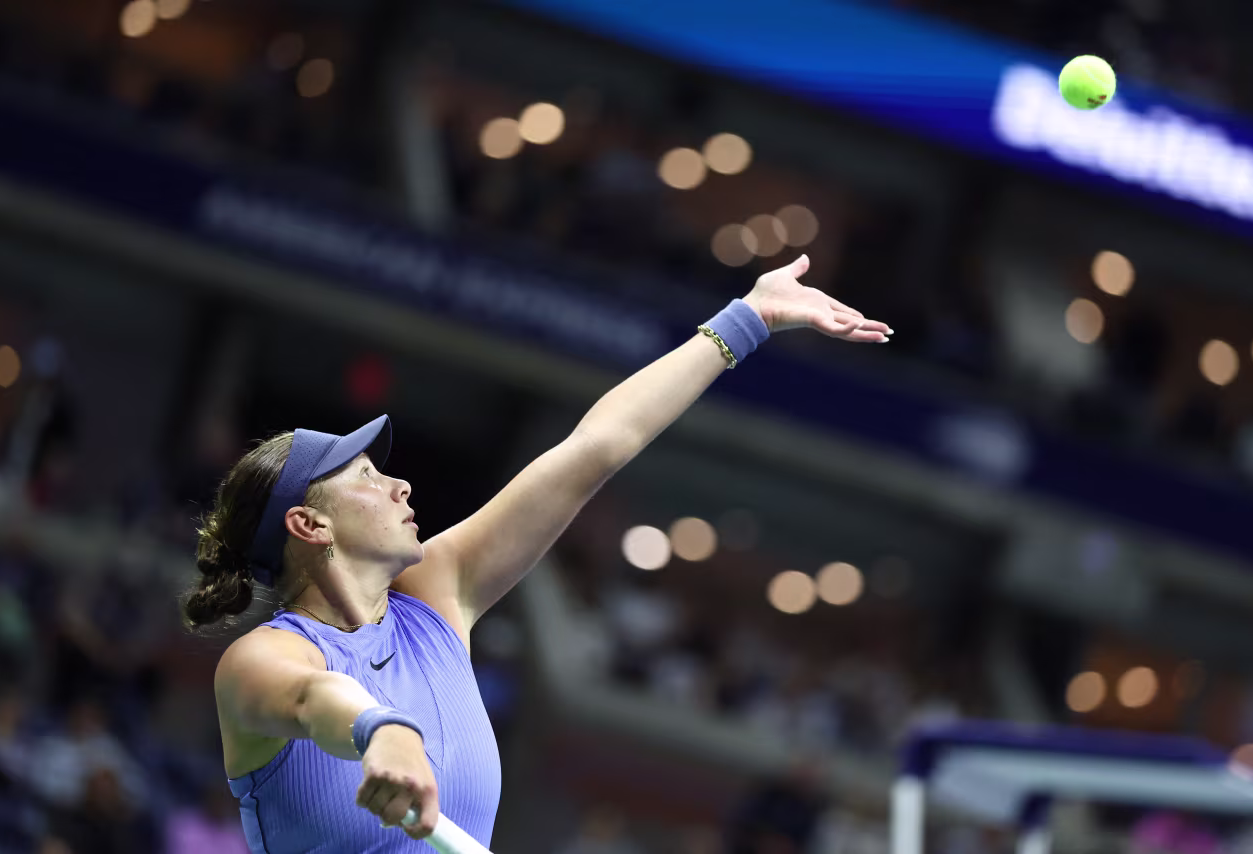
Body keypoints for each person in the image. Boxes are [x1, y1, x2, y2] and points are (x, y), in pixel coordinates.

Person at [181, 255, 890, 852]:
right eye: (366, 478)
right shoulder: (259, 662)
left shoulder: (437, 593)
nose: (399, 484)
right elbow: (310, 697)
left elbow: (595, 448)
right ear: (309, 525)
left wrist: (749, 317)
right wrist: (383, 733)